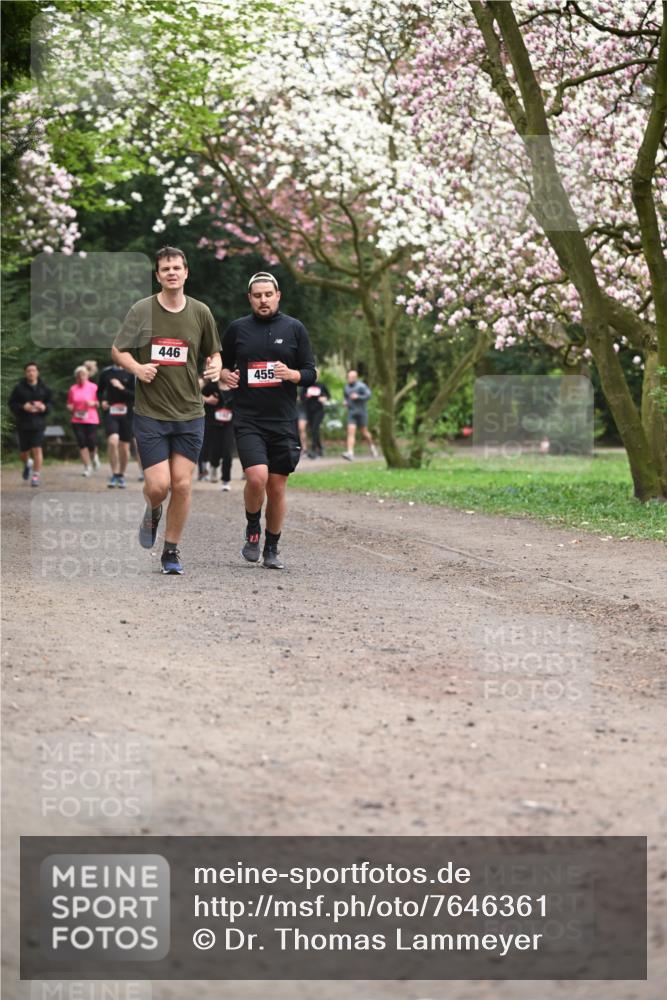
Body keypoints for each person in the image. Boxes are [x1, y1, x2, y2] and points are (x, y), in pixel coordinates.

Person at [111, 246, 221, 575]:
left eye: (177, 267)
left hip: (190, 412)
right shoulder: (142, 310)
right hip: (151, 412)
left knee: (183, 485)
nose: (171, 272)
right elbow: (118, 350)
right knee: (159, 486)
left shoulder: (201, 312)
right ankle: (152, 510)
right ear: (158, 276)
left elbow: (213, 353)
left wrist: (215, 367)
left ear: (186, 272)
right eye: (165, 269)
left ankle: (171, 551)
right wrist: (137, 368)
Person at [221, 271, 316, 569]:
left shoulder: (294, 328)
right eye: (257, 295)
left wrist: (293, 375)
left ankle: (272, 547)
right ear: (250, 298)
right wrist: (224, 374)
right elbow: (220, 365)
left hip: (283, 420)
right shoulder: (237, 329)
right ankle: (253, 528)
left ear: (278, 296)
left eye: (268, 295)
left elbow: (311, 372)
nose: (263, 300)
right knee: (257, 477)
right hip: (249, 417)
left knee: (276, 487)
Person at [8, 361, 53, 487]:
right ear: (25, 373)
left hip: (39, 424)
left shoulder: (45, 388)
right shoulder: (19, 388)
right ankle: (28, 462)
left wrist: (44, 407)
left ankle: (35, 476)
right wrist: (23, 407)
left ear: (37, 372)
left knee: (37, 448)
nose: (31, 373)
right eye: (28, 371)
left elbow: (51, 403)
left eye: (33, 370)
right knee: (23, 453)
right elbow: (12, 404)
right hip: (23, 423)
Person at [98, 362, 135, 488]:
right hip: (111, 412)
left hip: (127, 414)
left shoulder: (131, 372)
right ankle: (114, 473)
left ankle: (121, 474)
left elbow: (136, 396)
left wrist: (121, 387)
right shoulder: (106, 373)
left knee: (124, 447)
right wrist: (102, 401)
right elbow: (99, 391)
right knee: (113, 441)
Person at [200, 377, 236, 489]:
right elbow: (195, 395)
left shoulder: (235, 386)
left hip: (229, 424)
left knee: (227, 451)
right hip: (212, 422)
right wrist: (207, 399)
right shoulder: (211, 386)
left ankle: (226, 480)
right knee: (215, 450)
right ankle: (214, 466)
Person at [67, 365, 100, 476]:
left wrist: (93, 403)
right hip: (77, 419)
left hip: (91, 418)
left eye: (84, 375)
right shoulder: (73, 389)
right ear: (77, 377)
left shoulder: (93, 387)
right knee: (82, 443)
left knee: (91, 441)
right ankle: (87, 467)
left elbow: (99, 402)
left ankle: (94, 457)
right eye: (79, 375)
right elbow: (69, 403)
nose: (81, 377)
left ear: (87, 376)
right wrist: (70, 407)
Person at [342, 369, 378, 460]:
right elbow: (346, 398)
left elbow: (368, 395)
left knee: (364, 432)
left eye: (351, 377)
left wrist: (358, 397)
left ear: (355, 377)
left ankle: (372, 447)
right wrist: (345, 402)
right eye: (348, 377)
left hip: (362, 413)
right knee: (351, 433)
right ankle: (350, 453)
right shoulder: (346, 387)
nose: (349, 378)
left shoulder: (361, 386)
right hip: (352, 413)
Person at [302, 380, 330, 458]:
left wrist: (324, 398)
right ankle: (320, 448)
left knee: (315, 429)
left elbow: (328, 396)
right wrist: (306, 396)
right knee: (313, 430)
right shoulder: (305, 385)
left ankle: (313, 450)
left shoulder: (321, 385)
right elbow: (302, 398)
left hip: (319, 411)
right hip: (309, 411)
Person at [83, 359, 102, 470]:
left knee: (92, 439)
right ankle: (89, 461)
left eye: (90, 369)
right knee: (84, 440)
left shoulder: (96, 381)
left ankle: (95, 456)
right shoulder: (81, 377)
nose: (88, 371)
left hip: (92, 412)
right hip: (81, 413)